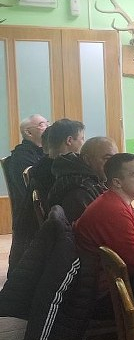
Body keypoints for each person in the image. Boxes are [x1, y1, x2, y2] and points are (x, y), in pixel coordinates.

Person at [73, 153, 134, 298]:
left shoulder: (117, 202)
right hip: (109, 292)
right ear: (117, 182)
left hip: (114, 280)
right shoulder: (114, 211)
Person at [6, 114, 47, 267]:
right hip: (30, 212)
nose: (47, 127)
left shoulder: (43, 152)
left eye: (47, 123)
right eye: (42, 124)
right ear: (28, 132)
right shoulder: (22, 156)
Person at [46, 136, 117, 222]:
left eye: (115, 160)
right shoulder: (77, 190)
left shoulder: (93, 180)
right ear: (87, 160)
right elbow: (92, 227)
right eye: (107, 159)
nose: (113, 165)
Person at [28, 118, 86, 208]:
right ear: (69, 140)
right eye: (82, 138)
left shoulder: (38, 168)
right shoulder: (72, 173)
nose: (83, 143)